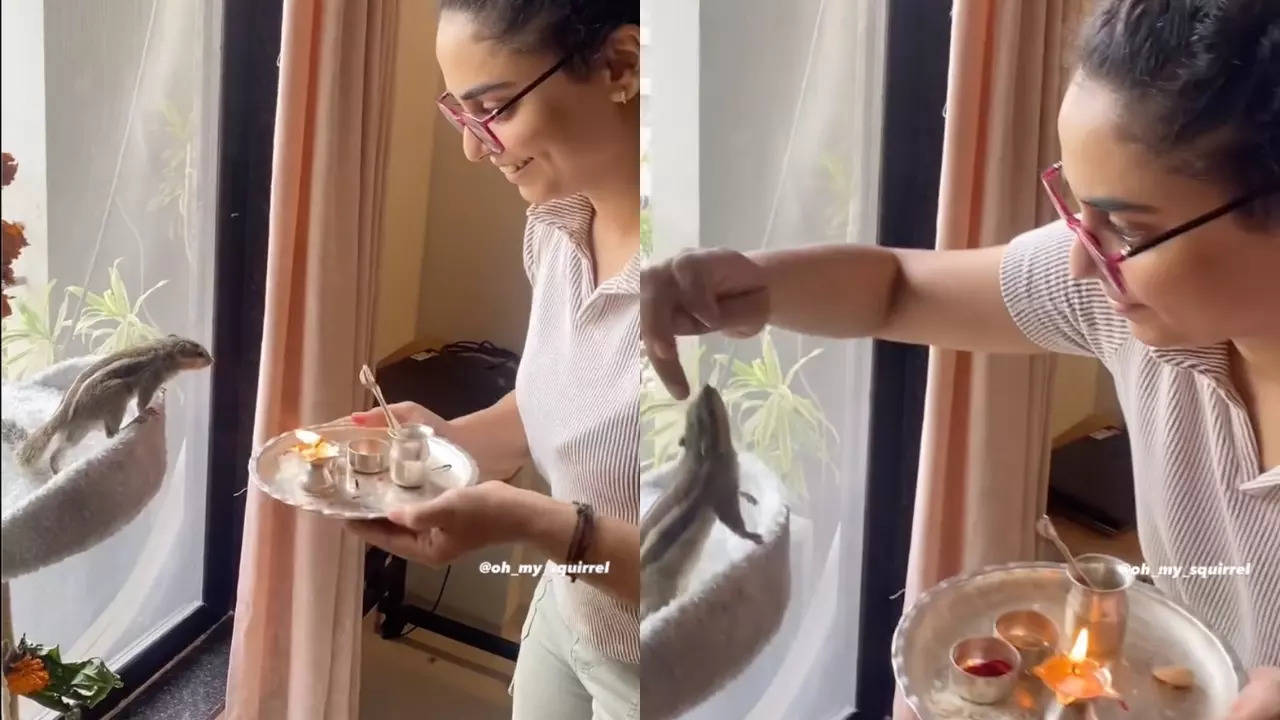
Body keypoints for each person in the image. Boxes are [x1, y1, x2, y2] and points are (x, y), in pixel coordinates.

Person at [638, 1, 1279, 718]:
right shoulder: (1128, 306)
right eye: (1076, 209)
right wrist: (758, 282)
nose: (1078, 262)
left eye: (1124, 227)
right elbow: (897, 289)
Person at [346, 2, 642, 719]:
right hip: (571, 613)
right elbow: (565, 406)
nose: (475, 150)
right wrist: (449, 443)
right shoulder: (555, 227)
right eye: (460, 115)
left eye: (495, 110)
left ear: (620, 66)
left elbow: (728, 572)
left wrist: (533, 522)